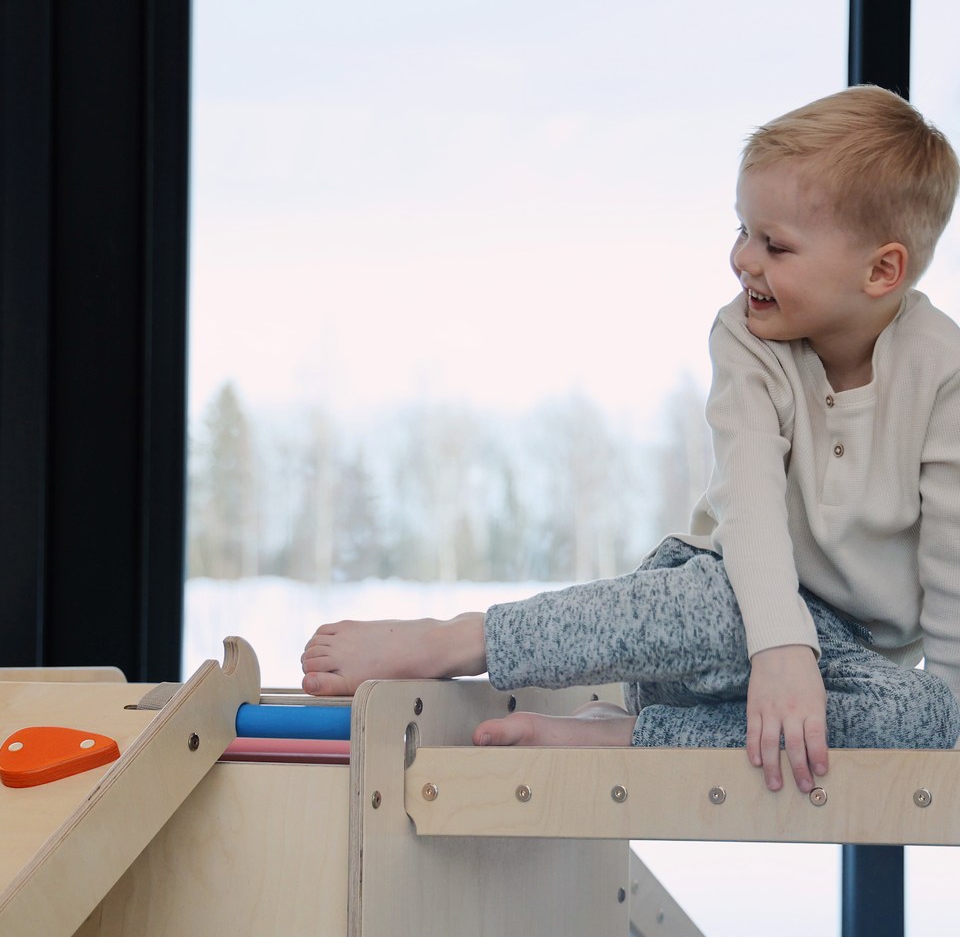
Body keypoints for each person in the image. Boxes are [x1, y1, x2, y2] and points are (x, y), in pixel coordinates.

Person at [300, 85, 960, 794]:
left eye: (775, 244)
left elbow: (952, 562)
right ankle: (458, 640)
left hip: (821, 684)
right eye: (742, 230)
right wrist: (780, 643)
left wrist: (942, 708)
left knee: (931, 721)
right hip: (709, 622)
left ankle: (621, 736)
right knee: (719, 603)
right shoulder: (745, 336)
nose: (743, 259)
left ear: (881, 271)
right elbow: (752, 507)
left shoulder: (943, 374)